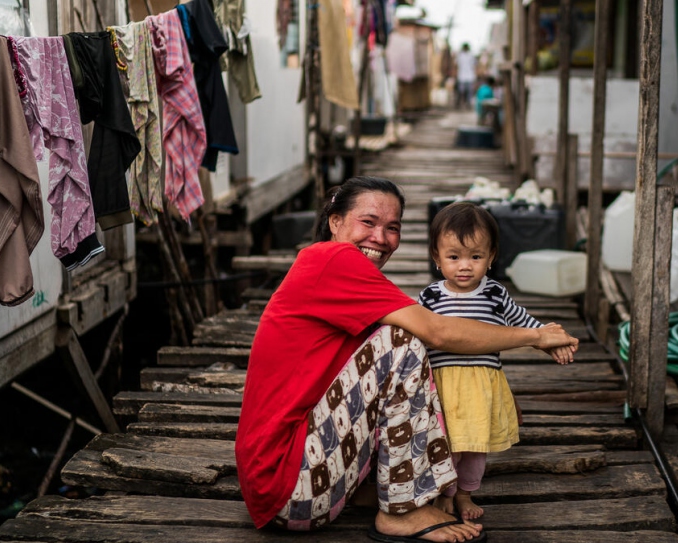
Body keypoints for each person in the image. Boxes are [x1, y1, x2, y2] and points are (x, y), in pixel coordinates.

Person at [235, 176, 579, 543]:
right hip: (290, 485)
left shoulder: (336, 270)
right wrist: (535, 336)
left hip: (295, 486)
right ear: (335, 222)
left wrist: (494, 393)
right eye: (368, 222)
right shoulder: (331, 258)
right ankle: (402, 511)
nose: (381, 238)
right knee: (403, 340)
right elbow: (439, 332)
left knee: (403, 339)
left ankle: (383, 489)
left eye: (392, 228)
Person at [418, 203, 574, 520]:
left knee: (475, 446)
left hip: (481, 385)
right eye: (453, 257)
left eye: (475, 257)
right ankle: (443, 493)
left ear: (490, 258)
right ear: (437, 257)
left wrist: (552, 342)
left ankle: (464, 495)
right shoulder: (430, 298)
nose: (465, 266)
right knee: (446, 445)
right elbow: (414, 334)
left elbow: (528, 325)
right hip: (443, 385)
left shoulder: (495, 295)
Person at [455, 43, 476, 110]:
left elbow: (474, 65)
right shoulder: (460, 55)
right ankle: (461, 104)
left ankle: (468, 104)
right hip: (462, 76)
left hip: (469, 76)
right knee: (461, 91)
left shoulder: (471, 55)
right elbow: (456, 64)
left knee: (469, 91)